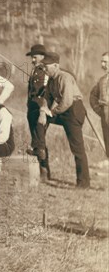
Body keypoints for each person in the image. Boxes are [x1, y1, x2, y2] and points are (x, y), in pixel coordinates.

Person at [41, 52, 90, 188]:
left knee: (77, 148)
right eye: (43, 67)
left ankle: (83, 183)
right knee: (41, 120)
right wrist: (44, 110)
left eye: (47, 66)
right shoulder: (51, 80)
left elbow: (67, 101)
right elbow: (47, 97)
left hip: (74, 110)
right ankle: (38, 147)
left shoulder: (65, 77)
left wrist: (51, 112)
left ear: (56, 66)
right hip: (63, 111)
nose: (44, 69)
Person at [24, 44, 52, 180]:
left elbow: (45, 92)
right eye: (32, 57)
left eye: (34, 57)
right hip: (32, 108)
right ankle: (39, 172)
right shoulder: (35, 70)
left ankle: (45, 173)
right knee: (36, 140)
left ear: (41, 57)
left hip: (40, 108)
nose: (32, 60)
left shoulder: (45, 71)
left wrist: (43, 110)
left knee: (40, 141)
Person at [89, 52, 109, 158]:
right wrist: (99, 110)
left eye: (105, 62)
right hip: (105, 116)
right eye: (102, 62)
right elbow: (92, 96)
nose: (102, 64)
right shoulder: (102, 80)